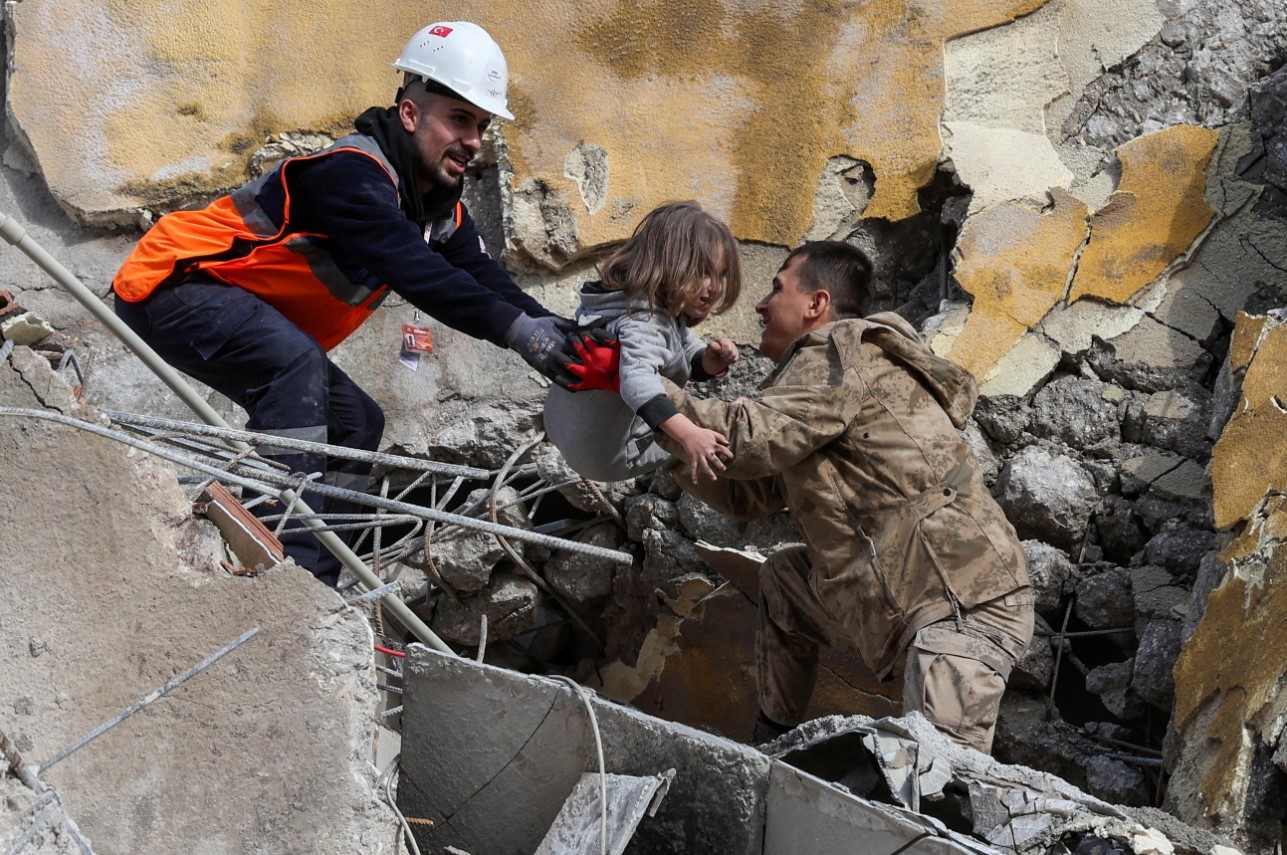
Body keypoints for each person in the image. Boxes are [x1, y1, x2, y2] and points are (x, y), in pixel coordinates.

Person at [111, 22, 609, 587]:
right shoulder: (350, 173)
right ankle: (273, 573)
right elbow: (415, 269)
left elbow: (486, 279)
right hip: (170, 285)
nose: (474, 140)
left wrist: (560, 333)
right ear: (411, 114)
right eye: (460, 119)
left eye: (482, 125)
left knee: (356, 422)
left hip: (236, 307)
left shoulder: (438, 208)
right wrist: (520, 334)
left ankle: (314, 584)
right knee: (293, 366)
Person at [657, 240, 1033, 754]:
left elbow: (747, 438)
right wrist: (667, 441)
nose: (761, 306)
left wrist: (643, 393)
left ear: (816, 304)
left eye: (776, 287)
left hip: (960, 598)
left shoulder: (840, 352)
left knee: (937, 793)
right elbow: (746, 492)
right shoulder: (810, 387)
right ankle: (772, 746)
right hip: (910, 597)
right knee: (785, 579)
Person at [543, 201, 743, 483]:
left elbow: (682, 345)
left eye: (721, 275)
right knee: (725, 434)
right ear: (670, 264)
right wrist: (689, 435)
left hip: (564, 428)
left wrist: (708, 360)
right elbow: (637, 383)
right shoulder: (643, 321)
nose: (715, 287)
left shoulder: (628, 303)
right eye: (704, 272)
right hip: (611, 458)